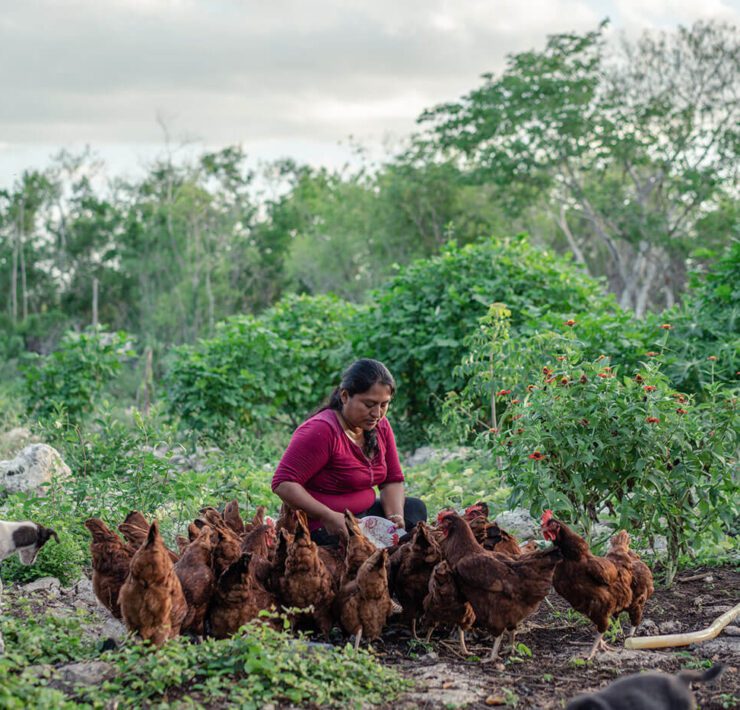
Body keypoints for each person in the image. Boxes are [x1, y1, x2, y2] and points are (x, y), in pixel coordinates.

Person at [272, 358, 426, 544]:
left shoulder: (380, 426)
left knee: (414, 509)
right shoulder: (322, 430)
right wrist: (326, 515)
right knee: (355, 549)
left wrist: (395, 517)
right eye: (369, 405)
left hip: (363, 517)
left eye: (384, 405)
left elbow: (391, 480)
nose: (377, 414)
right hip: (323, 524)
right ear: (345, 396)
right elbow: (283, 483)